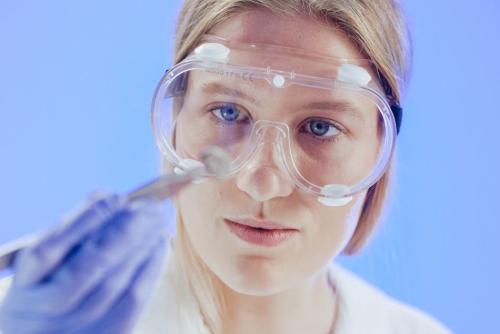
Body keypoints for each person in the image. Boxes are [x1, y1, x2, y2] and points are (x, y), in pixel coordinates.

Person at [0, 0, 452, 333]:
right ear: (176, 120)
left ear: (381, 149)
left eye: (319, 127)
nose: (263, 183)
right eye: (229, 112)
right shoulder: (34, 313)